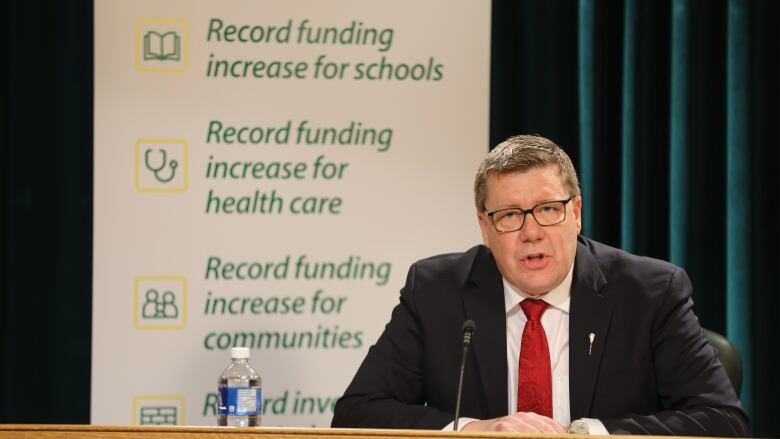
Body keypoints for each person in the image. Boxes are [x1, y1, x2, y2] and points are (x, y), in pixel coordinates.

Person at [331, 135, 749, 436]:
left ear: (577, 213)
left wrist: (585, 435)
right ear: (485, 227)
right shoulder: (437, 291)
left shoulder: (650, 291)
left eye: (548, 209)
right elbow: (357, 412)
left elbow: (722, 420)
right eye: (510, 215)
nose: (532, 232)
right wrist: (471, 429)